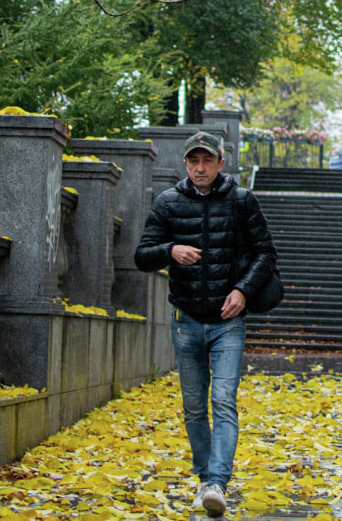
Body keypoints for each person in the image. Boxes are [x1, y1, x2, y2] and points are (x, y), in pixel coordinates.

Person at [134, 131, 276, 517]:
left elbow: (266, 253)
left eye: (207, 161)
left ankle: (217, 483)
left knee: (223, 401)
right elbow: (142, 256)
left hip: (228, 321)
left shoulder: (243, 201)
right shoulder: (168, 203)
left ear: (220, 163)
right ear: (185, 164)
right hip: (186, 321)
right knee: (194, 407)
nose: (200, 168)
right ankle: (203, 479)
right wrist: (170, 250)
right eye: (194, 161)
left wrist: (243, 291)